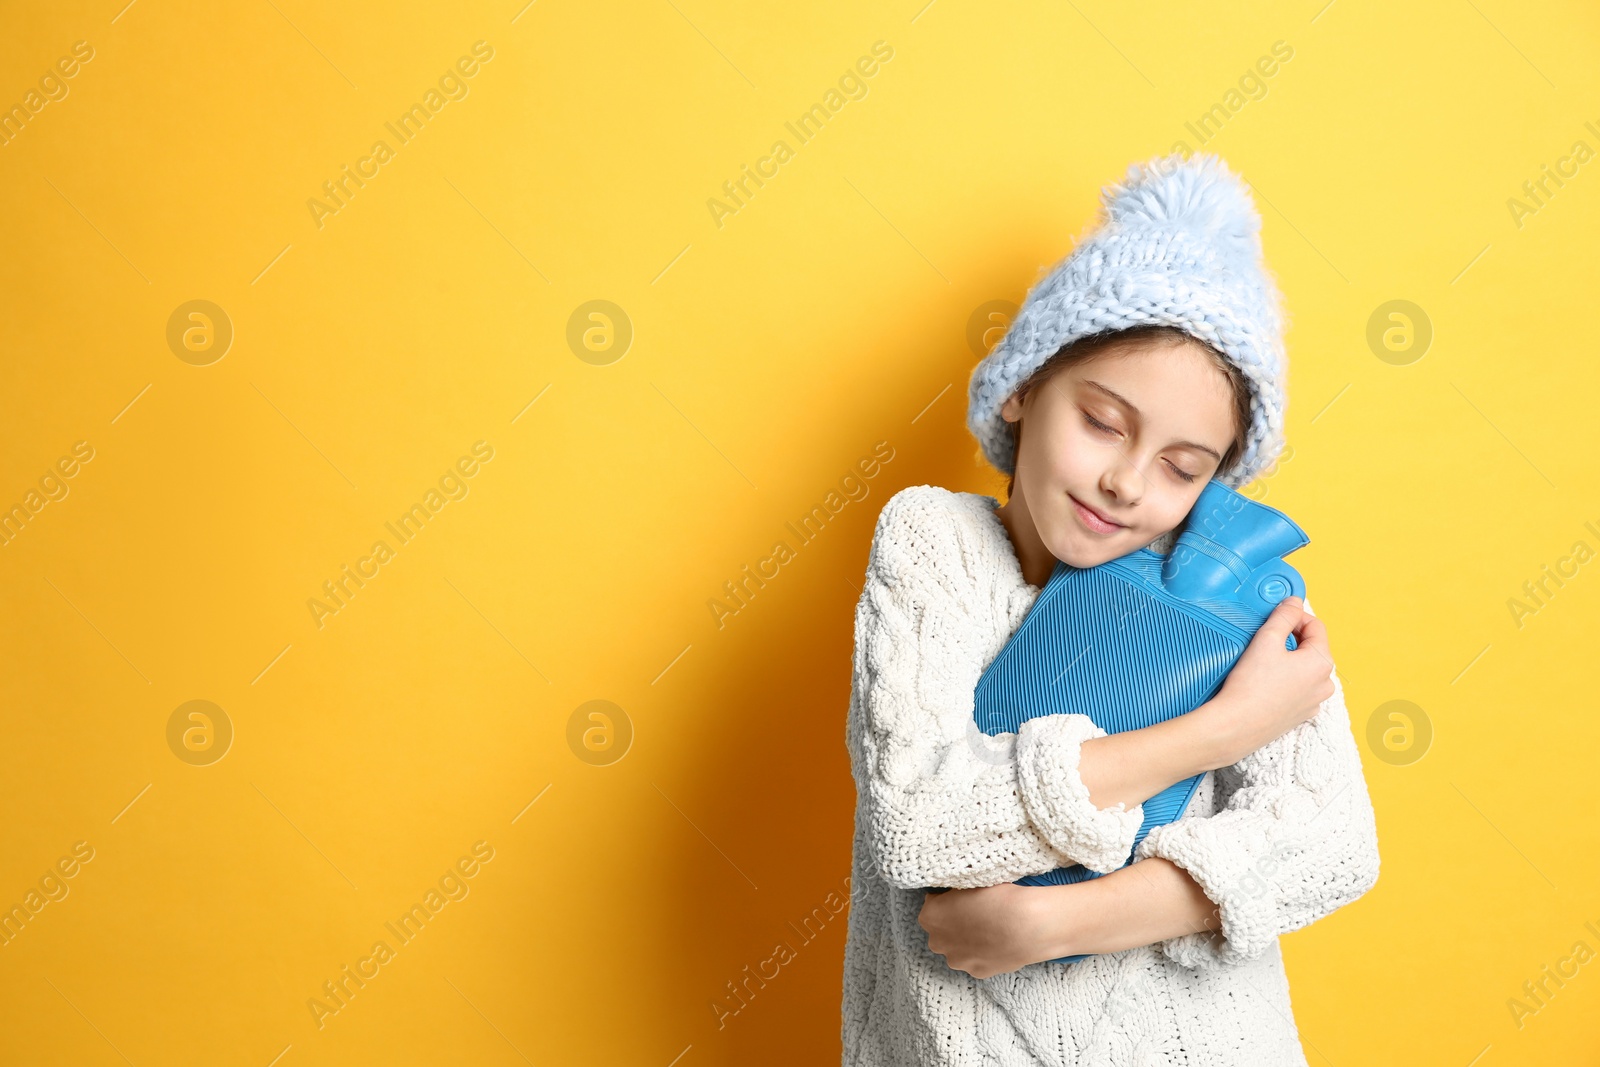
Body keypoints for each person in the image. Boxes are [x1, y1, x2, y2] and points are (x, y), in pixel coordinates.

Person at [841, 152, 1381, 1065]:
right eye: (1102, 420)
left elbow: (1333, 846)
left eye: (1183, 466)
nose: (1129, 483)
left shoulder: (1229, 594)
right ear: (1023, 386)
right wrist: (1225, 728)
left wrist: (1054, 922)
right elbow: (918, 826)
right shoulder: (936, 544)